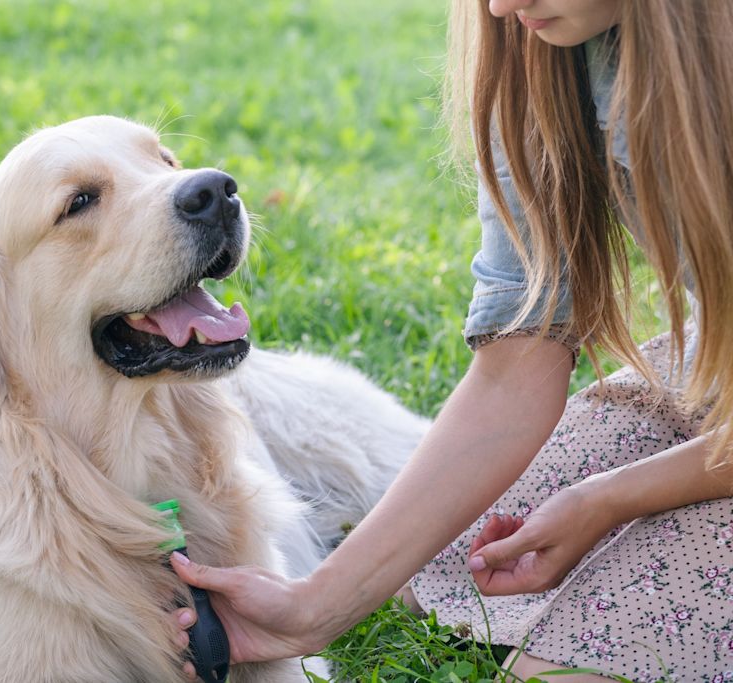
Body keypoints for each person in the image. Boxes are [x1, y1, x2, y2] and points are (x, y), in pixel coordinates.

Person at [167, 0, 733, 679]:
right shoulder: (534, 52)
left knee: (570, 664)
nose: (499, 6)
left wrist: (609, 496)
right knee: (448, 563)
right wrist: (315, 606)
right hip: (716, 369)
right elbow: (514, 368)